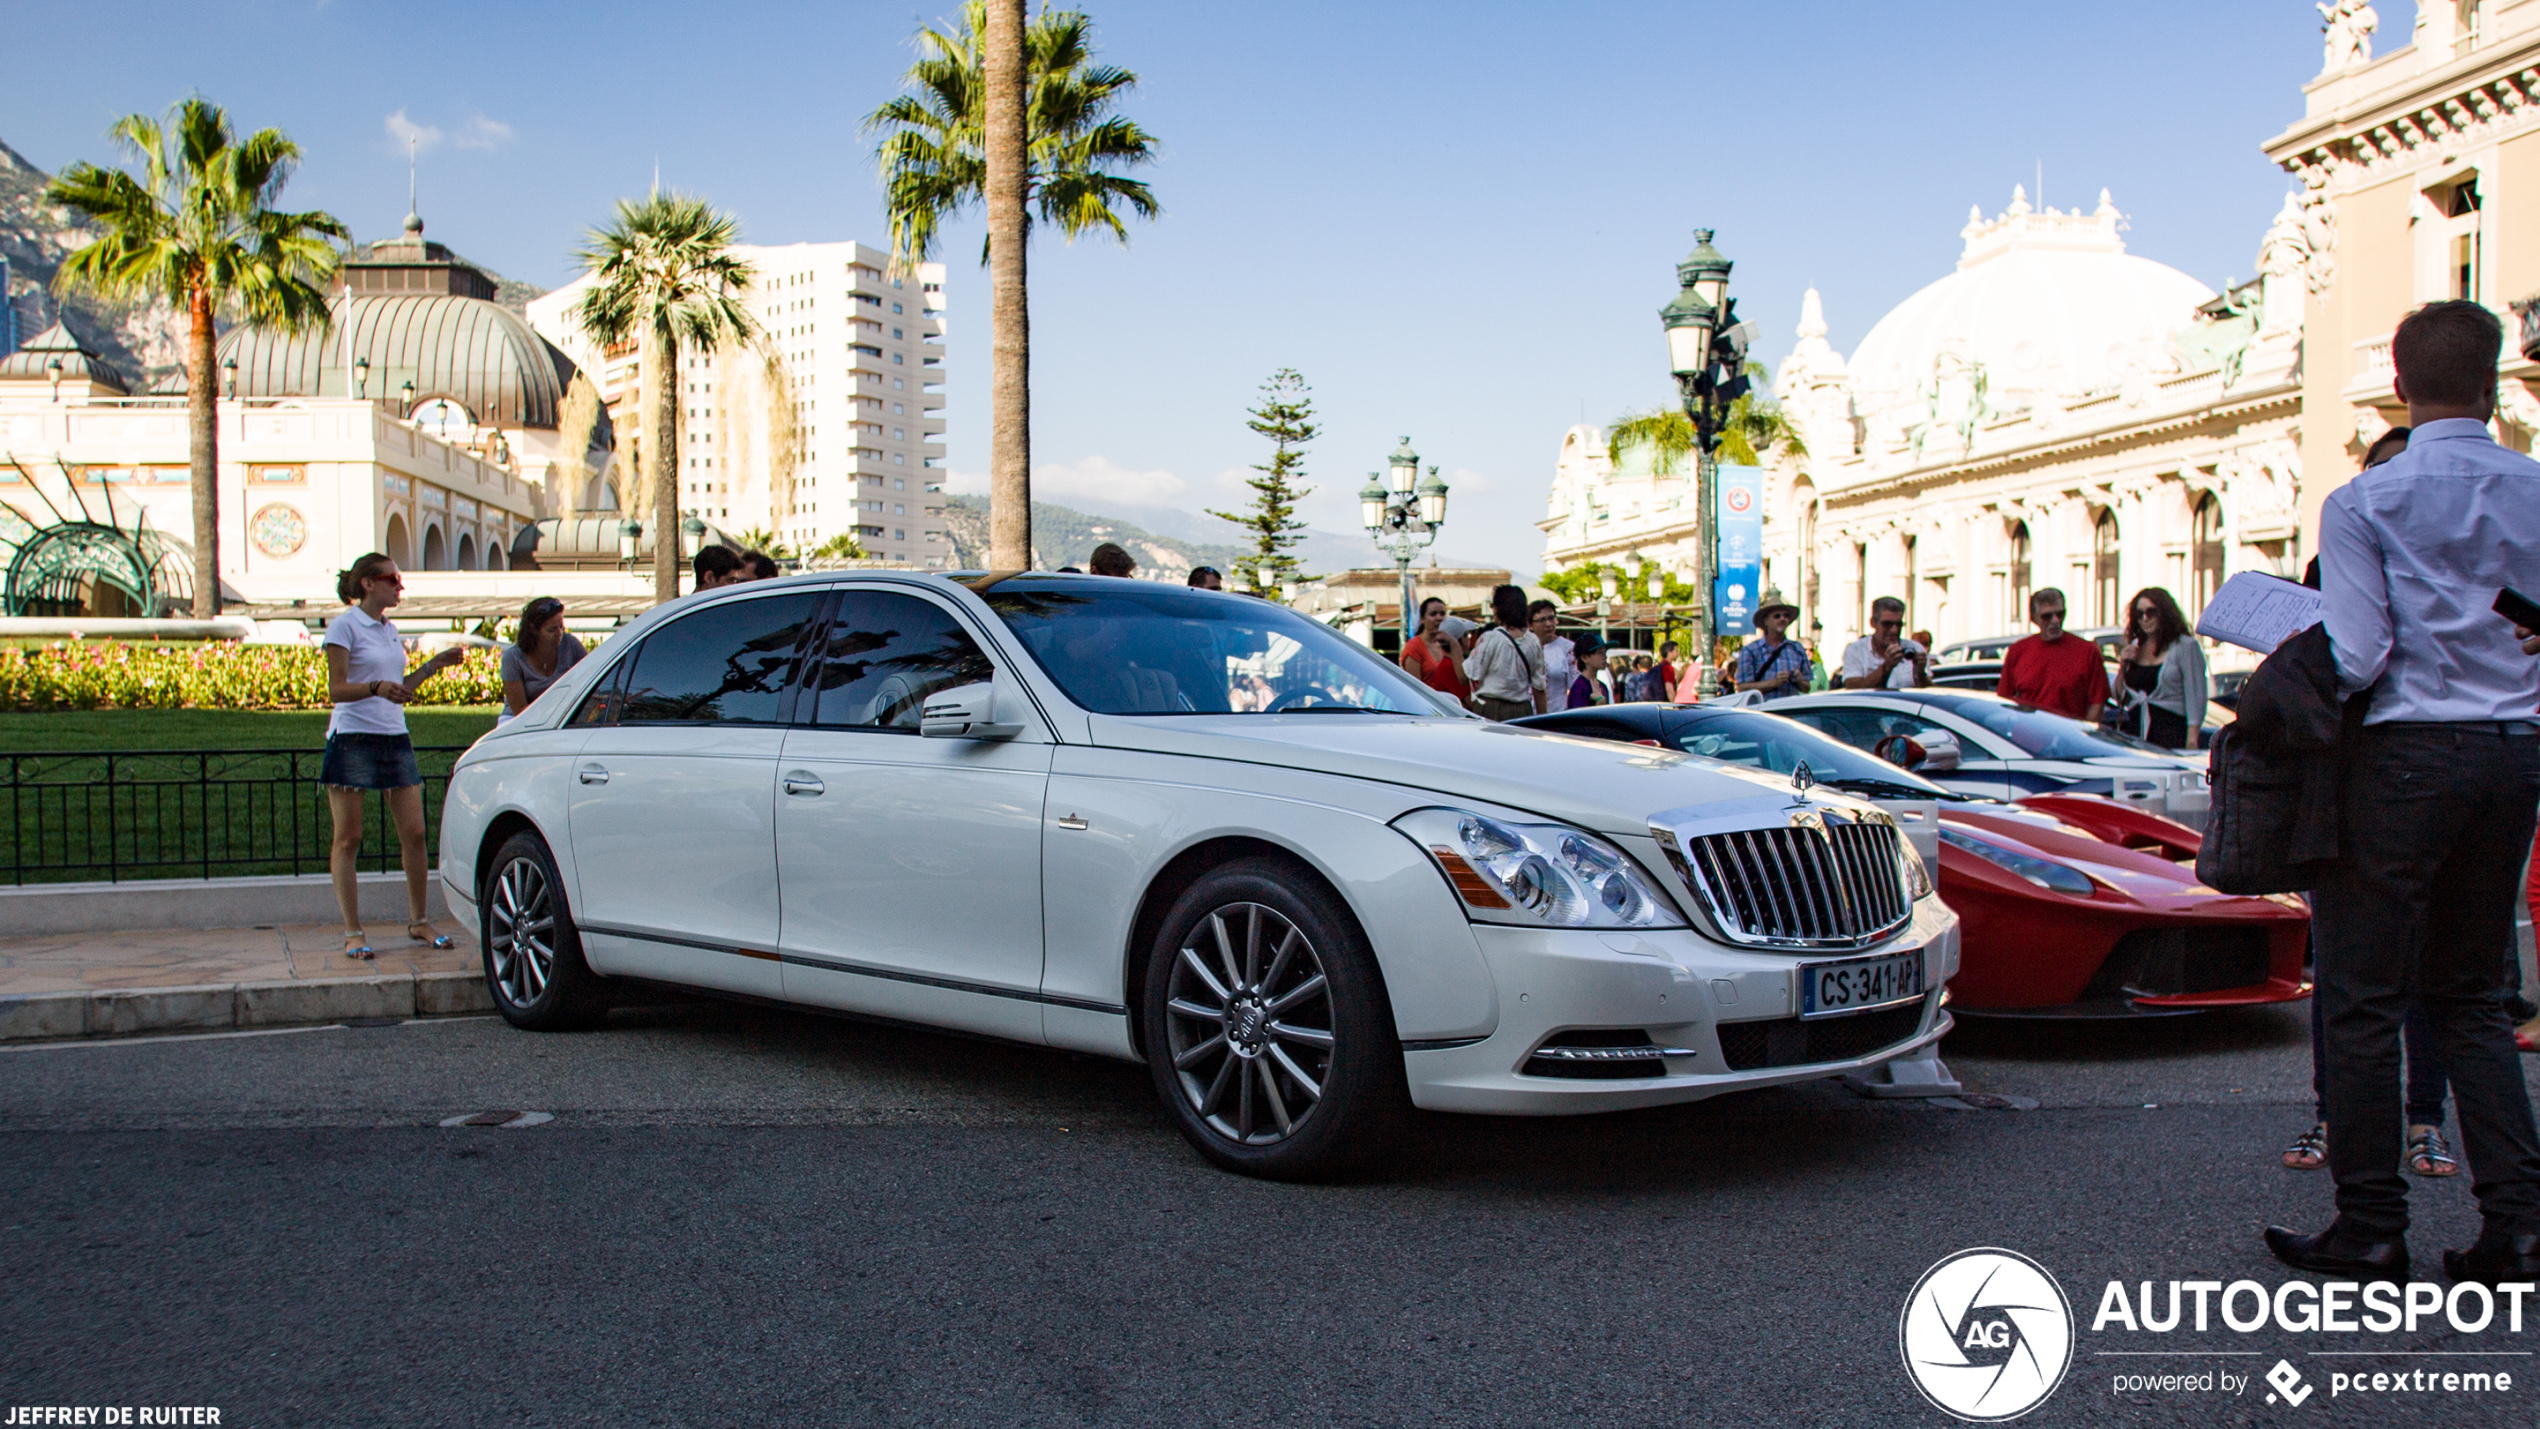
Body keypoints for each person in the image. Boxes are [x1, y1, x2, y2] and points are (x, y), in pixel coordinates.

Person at [2264, 299, 2540, 1287]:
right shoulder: (2533, 486)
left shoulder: (2363, 502)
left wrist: (2286, 665)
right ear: (2492, 381)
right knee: (2471, 994)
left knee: (2360, 997)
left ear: (2397, 381)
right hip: (2511, 750)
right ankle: (2515, 1223)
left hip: (2402, 756)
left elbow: (2362, 648)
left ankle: (2369, 1225)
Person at [322, 553, 466, 961]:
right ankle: (353, 931)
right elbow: (336, 690)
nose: (399, 586)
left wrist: (433, 667)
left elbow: (397, 687)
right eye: (392, 579)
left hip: (393, 736)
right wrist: (375, 688)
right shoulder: (344, 626)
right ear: (368, 583)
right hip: (353, 739)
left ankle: (419, 921)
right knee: (348, 838)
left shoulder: (389, 628)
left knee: (416, 834)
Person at [2112, 587, 2206, 749]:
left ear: (2164, 612)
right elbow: (2120, 697)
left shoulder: (2184, 646)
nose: (2145, 619)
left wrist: (2192, 740)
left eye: (2151, 612)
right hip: (2136, 734)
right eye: (2139, 614)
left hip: (2171, 733)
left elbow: (2195, 697)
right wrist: (2123, 666)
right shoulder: (2136, 646)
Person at [1995, 588, 2107, 721]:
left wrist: (2083, 734)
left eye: (2060, 614)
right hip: (2027, 737)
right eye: (2047, 616)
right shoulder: (2017, 651)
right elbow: (2005, 701)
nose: (2055, 620)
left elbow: (2098, 703)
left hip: (2070, 736)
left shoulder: (2088, 651)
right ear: (2034, 618)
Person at [1463, 583, 1545, 721]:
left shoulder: (1490, 638)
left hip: (1490, 708)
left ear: (1500, 609)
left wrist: (1453, 645)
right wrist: (1544, 723)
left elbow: (1468, 675)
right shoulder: (1533, 641)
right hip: (1523, 710)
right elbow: (1539, 688)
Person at [500, 597, 588, 722]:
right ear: (534, 631)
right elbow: (519, 711)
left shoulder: (571, 645)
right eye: (552, 630)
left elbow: (593, 675)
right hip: (516, 720)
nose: (559, 634)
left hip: (561, 719)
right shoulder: (513, 658)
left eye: (561, 627)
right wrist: (558, 710)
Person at [1398, 596, 1473, 707]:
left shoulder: (1446, 643)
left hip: (1449, 704)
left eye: (1442, 614)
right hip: (1428, 706)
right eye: (1433, 614)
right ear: (1422, 619)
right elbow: (1415, 688)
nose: (1439, 618)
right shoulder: (1414, 646)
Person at [1842, 597, 1930, 689]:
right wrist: (1885, 668)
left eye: (1898, 625)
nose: (1894, 630)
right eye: (1887, 624)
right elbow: (1853, 689)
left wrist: (1920, 674)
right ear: (1873, 623)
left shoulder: (1915, 648)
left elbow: (1929, 694)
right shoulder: (1856, 650)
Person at [1733, 600, 1811, 701]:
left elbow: (1807, 688)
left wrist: (1800, 681)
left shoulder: (1797, 648)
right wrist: (1775, 683)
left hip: (1791, 711)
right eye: (1777, 616)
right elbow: (1742, 687)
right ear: (1766, 621)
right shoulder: (1750, 651)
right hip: (1763, 711)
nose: (1782, 619)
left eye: (1786, 616)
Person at [1529, 600, 1576, 713]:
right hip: (1527, 718)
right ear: (1530, 624)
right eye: (1542, 620)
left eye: (1551, 618)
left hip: (1556, 717)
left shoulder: (1568, 649)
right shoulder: (1524, 647)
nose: (1549, 624)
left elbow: (1576, 687)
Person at [1566, 636, 1611, 708]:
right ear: (1585, 658)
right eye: (1600, 652)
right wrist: (1600, 702)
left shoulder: (1602, 686)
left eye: (1605, 652)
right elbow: (1580, 717)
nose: (1605, 656)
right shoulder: (1579, 688)